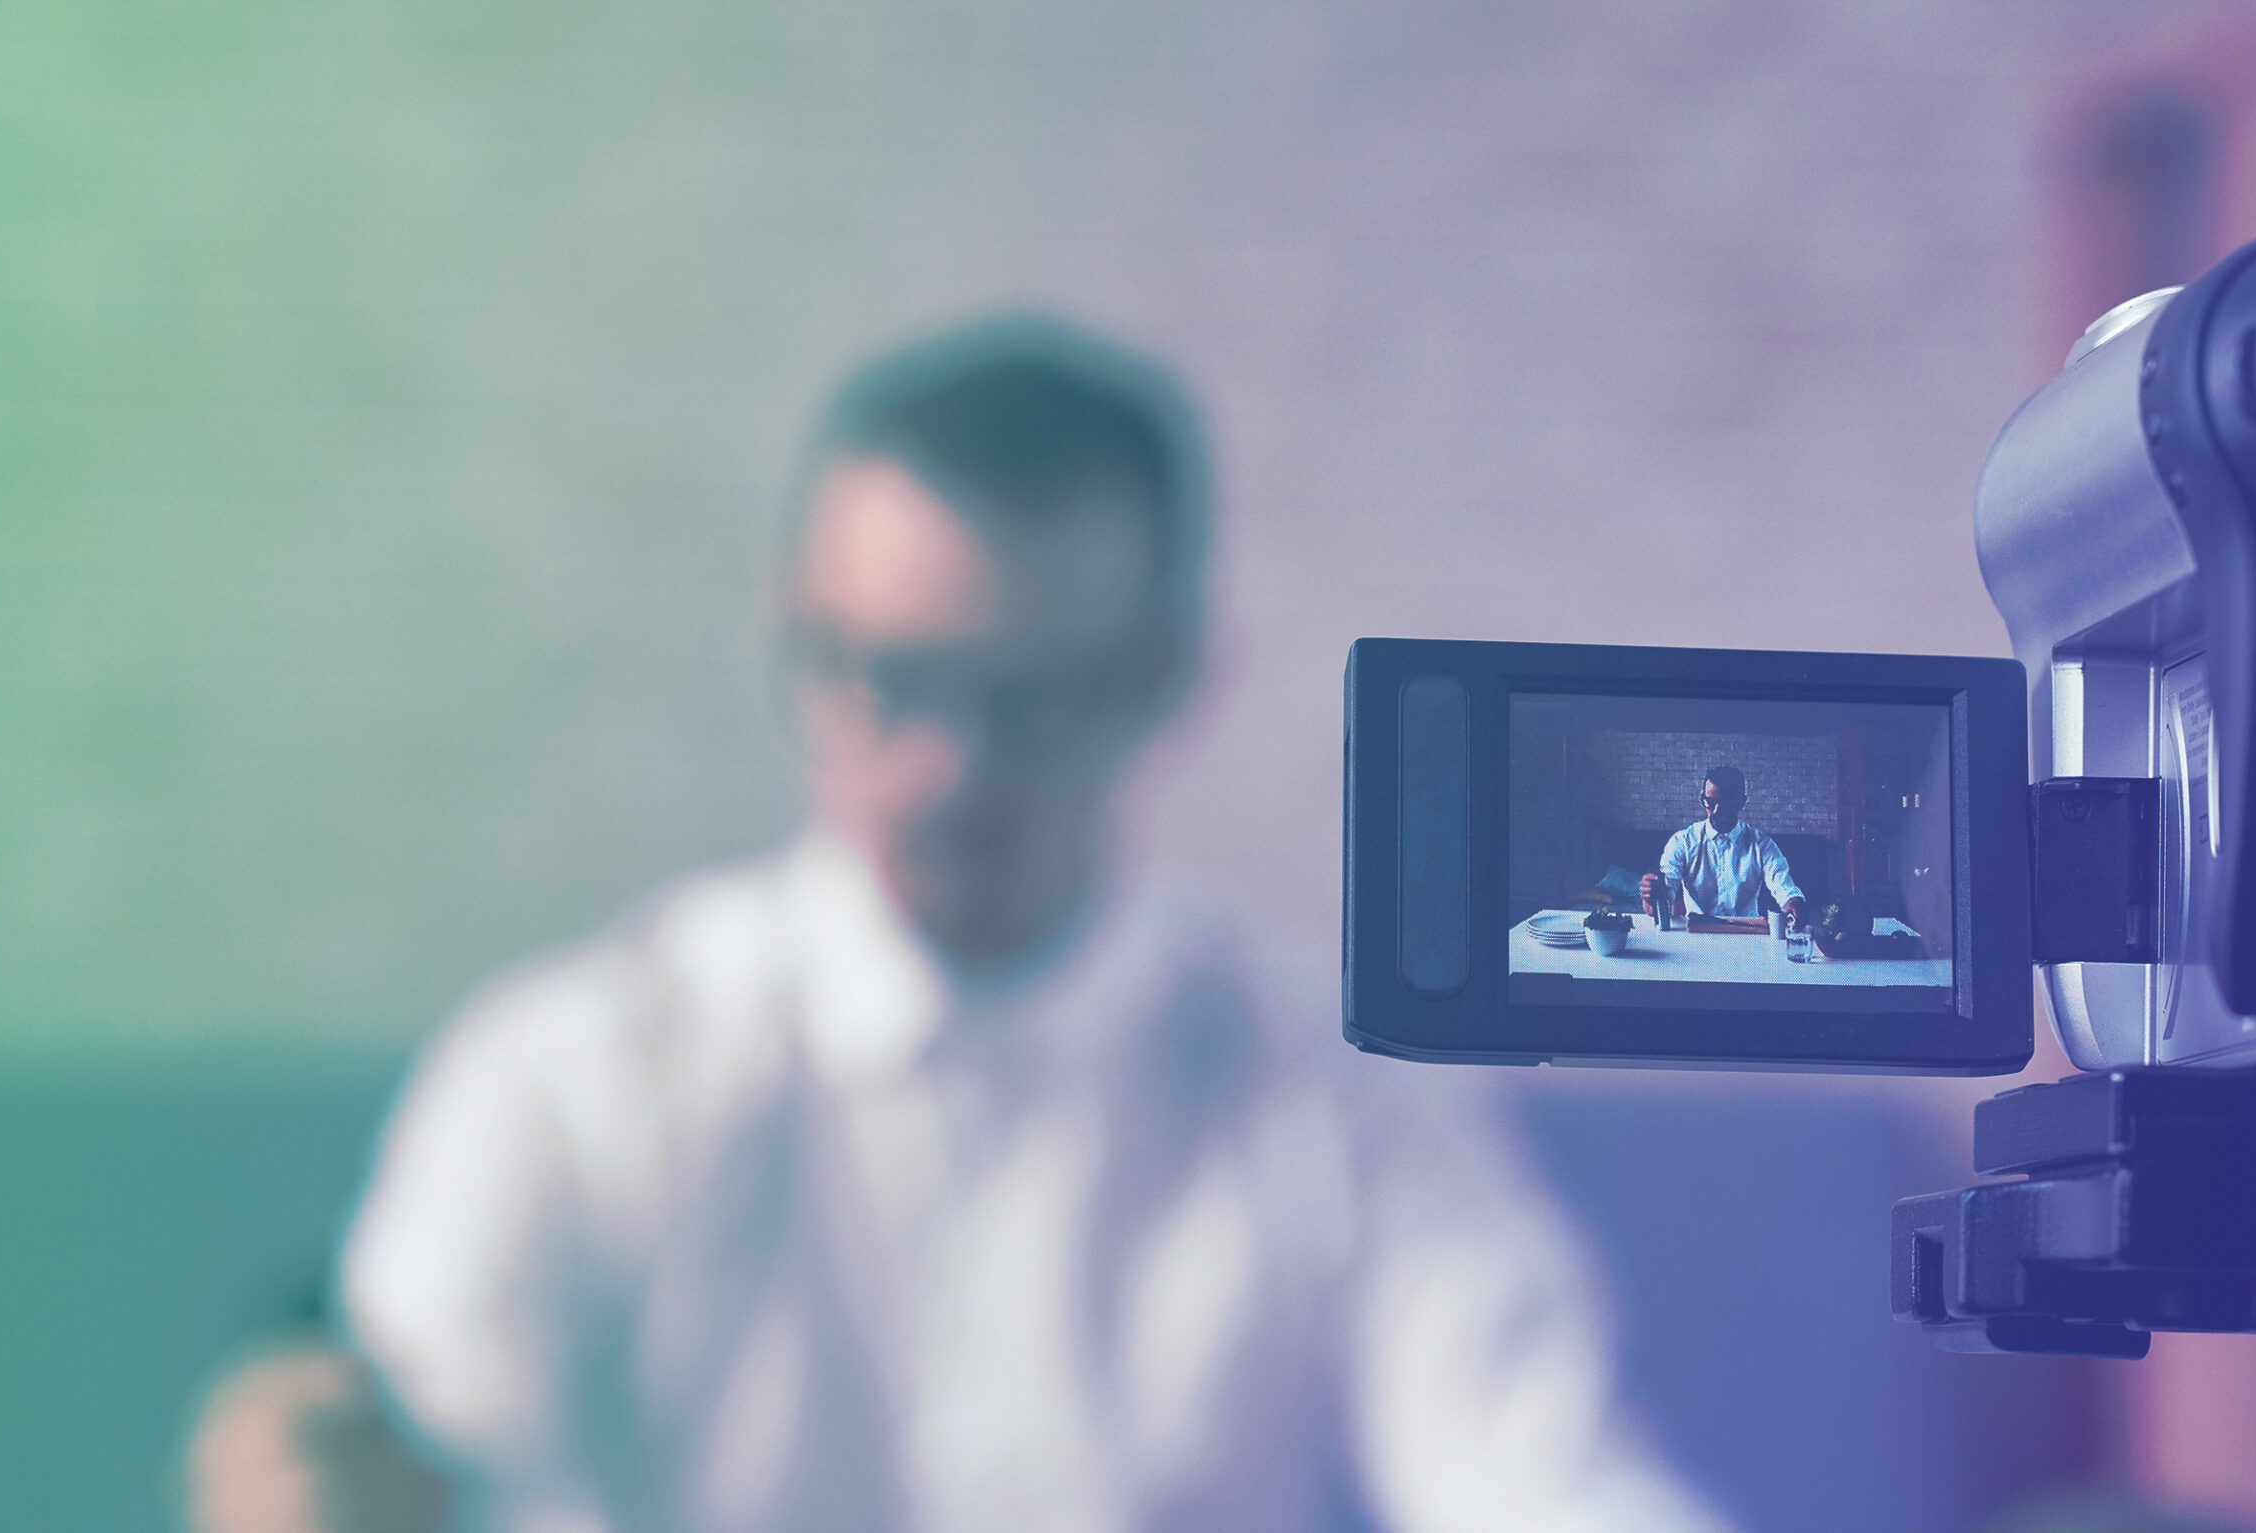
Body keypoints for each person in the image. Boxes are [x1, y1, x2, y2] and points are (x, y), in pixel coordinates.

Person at [321, 317, 1729, 1533]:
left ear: (1168, 677)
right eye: (883, 678)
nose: (947, 769)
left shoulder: (1339, 1096)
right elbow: (416, 1452)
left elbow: (1542, 1473)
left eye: (1027, 697)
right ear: (786, 639)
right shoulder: (566, 1070)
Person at [1638, 766, 1806, 928]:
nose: (1716, 812)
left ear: (1741, 803)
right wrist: (1652, 897)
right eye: (1710, 803)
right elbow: (1663, 896)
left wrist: (1793, 903)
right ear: (1703, 800)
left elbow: (1783, 887)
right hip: (1696, 935)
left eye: (1726, 804)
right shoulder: (1683, 842)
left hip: (1746, 936)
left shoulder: (1761, 844)